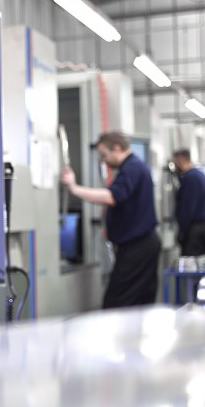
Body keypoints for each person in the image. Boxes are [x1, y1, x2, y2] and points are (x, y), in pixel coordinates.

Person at [60, 131, 159, 309]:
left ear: (117, 148)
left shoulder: (132, 168)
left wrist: (74, 189)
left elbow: (112, 197)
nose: (103, 161)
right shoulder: (132, 167)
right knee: (137, 301)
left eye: (104, 155)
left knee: (116, 303)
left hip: (138, 248)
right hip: (139, 245)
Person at [171, 148, 205, 256]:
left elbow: (188, 207)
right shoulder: (199, 174)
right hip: (202, 227)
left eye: (175, 162)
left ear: (181, 160)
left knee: (190, 261)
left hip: (193, 230)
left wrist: (182, 231)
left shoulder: (191, 178)